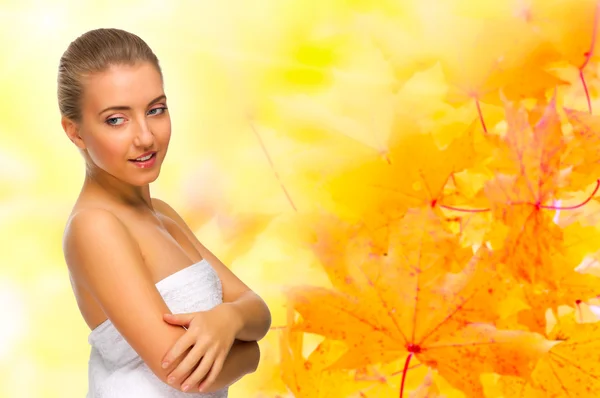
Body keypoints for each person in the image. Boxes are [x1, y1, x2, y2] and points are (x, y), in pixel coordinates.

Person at [58, 28, 272, 397]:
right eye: (116, 119)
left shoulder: (163, 215)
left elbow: (257, 310)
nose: (145, 136)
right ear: (75, 132)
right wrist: (250, 353)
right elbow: (182, 372)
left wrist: (229, 317)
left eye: (155, 110)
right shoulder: (94, 226)